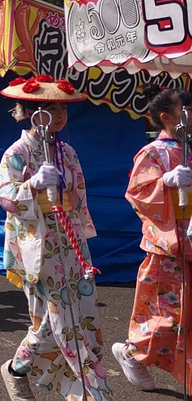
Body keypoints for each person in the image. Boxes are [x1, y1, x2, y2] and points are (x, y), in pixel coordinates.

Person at [0, 76, 110, 400]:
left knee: (71, 315)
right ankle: (87, 391)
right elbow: (3, 195)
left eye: (62, 108)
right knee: (61, 317)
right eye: (50, 108)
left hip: (68, 240)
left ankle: (17, 370)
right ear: (32, 112)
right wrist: (31, 185)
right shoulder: (17, 152)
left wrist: (79, 234)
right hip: (37, 244)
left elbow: (79, 196)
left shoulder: (67, 151)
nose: (58, 115)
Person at [113, 85, 192, 392]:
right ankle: (132, 352)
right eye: (185, 107)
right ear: (167, 117)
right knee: (167, 316)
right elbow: (138, 193)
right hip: (168, 246)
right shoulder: (153, 152)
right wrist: (165, 182)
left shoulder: (188, 149)